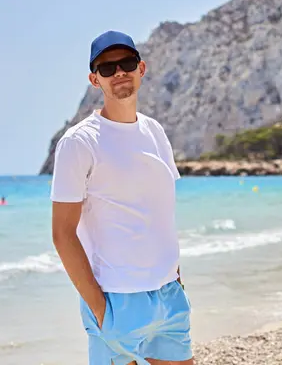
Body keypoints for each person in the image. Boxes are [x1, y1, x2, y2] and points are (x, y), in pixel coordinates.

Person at [50, 30, 192, 365]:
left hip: (169, 295)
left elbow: (159, 216)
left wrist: (177, 280)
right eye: (107, 67)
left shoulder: (155, 132)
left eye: (126, 63)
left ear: (141, 68)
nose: (118, 73)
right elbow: (62, 234)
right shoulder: (78, 142)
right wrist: (100, 309)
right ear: (94, 79)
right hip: (117, 301)